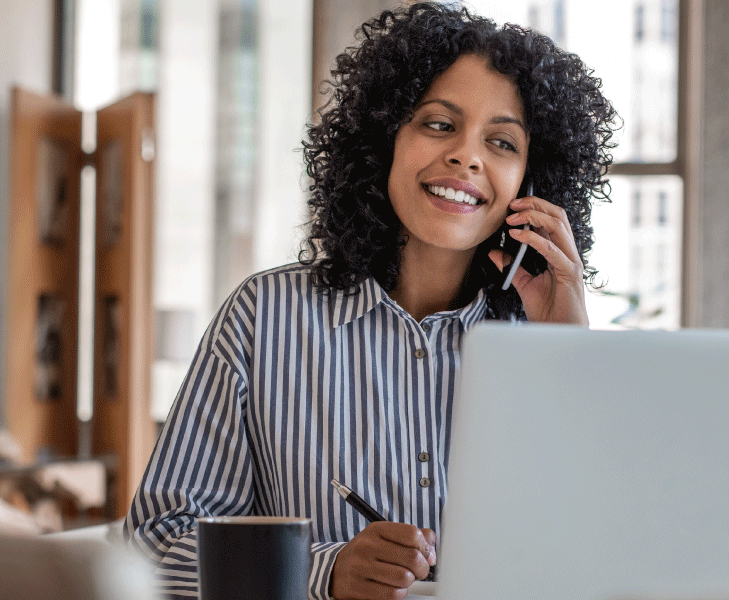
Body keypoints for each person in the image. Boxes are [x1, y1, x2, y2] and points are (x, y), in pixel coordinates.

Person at [122, 3, 616, 599]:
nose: (468, 156)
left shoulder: (546, 340)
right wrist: (323, 572)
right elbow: (152, 545)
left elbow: (606, 553)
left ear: (531, 184)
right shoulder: (263, 317)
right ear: (384, 140)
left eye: (502, 141)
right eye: (438, 124)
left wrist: (572, 359)